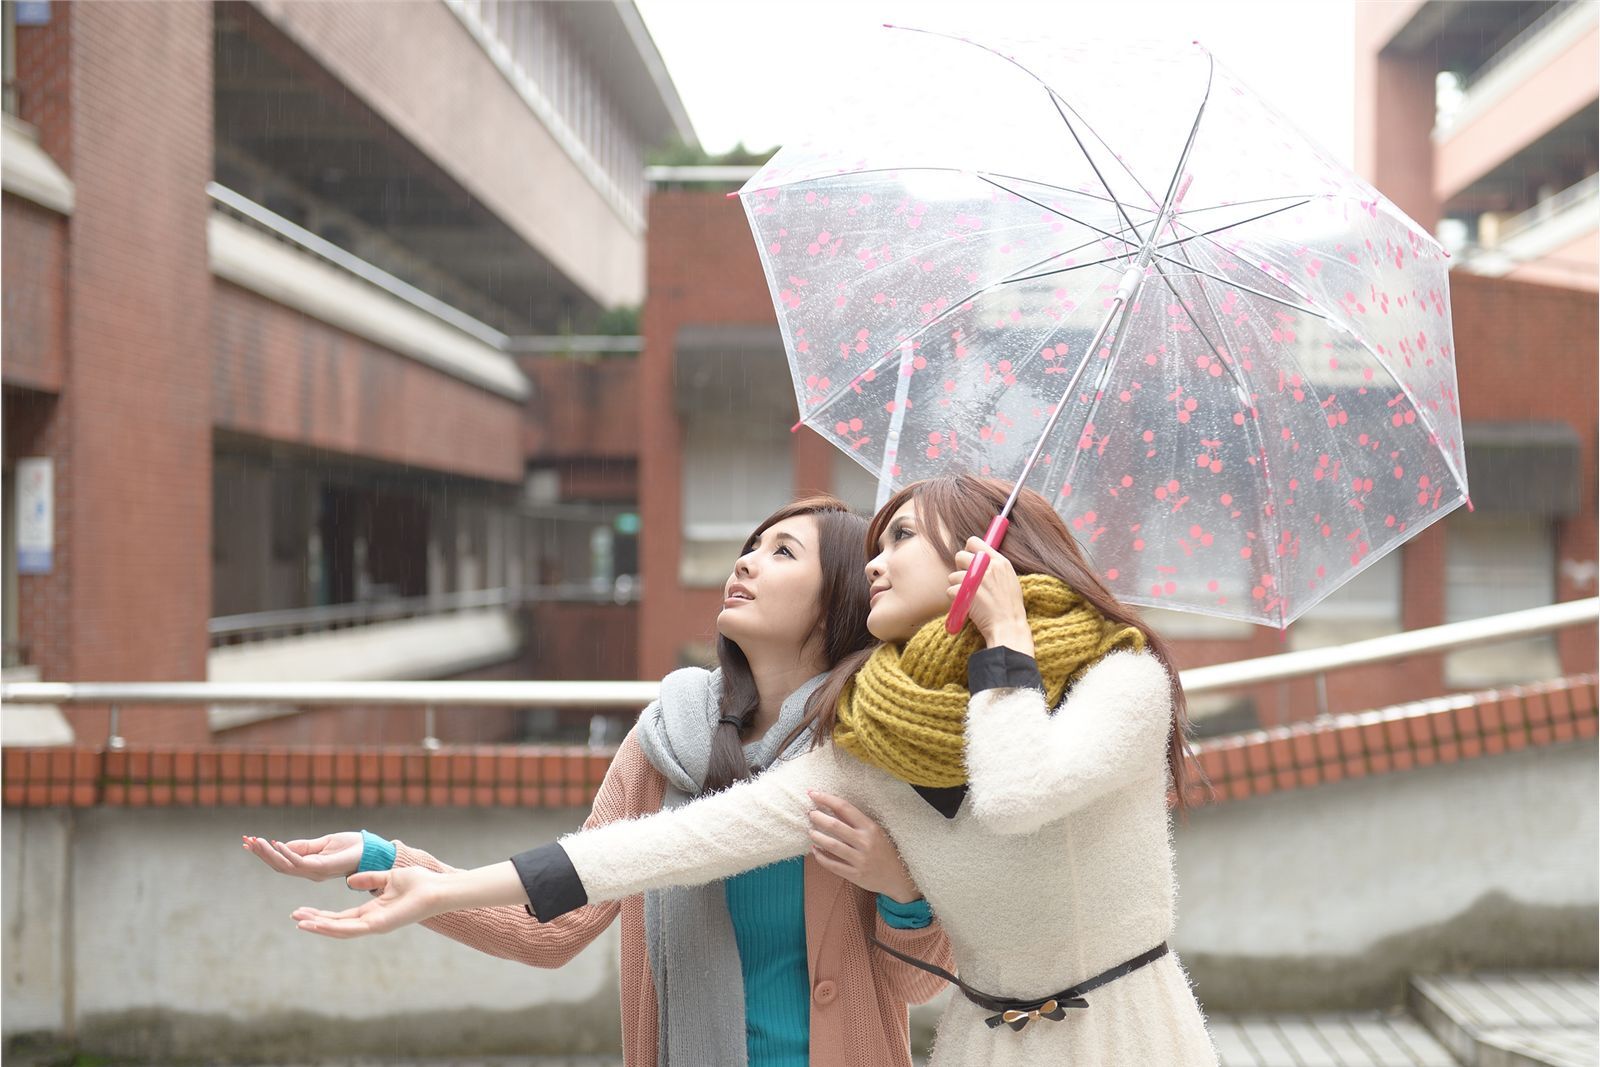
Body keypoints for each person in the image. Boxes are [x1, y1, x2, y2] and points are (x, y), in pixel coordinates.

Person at [285, 475, 1219, 1066]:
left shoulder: (1089, 691)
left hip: (1122, 1034)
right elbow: (628, 860)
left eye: (900, 538)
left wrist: (901, 885)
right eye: (877, 540)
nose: (743, 563)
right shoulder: (795, 745)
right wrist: (415, 877)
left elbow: (971, 885)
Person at [246, 495, 954, 1067]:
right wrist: (390, 863)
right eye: (751, 544)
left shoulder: (871, 749)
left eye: (782, 551)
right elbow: (554, 927)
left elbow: (918, 982)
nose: (745, 562)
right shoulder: (664, 742)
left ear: (838, 598)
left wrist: (901, 886)